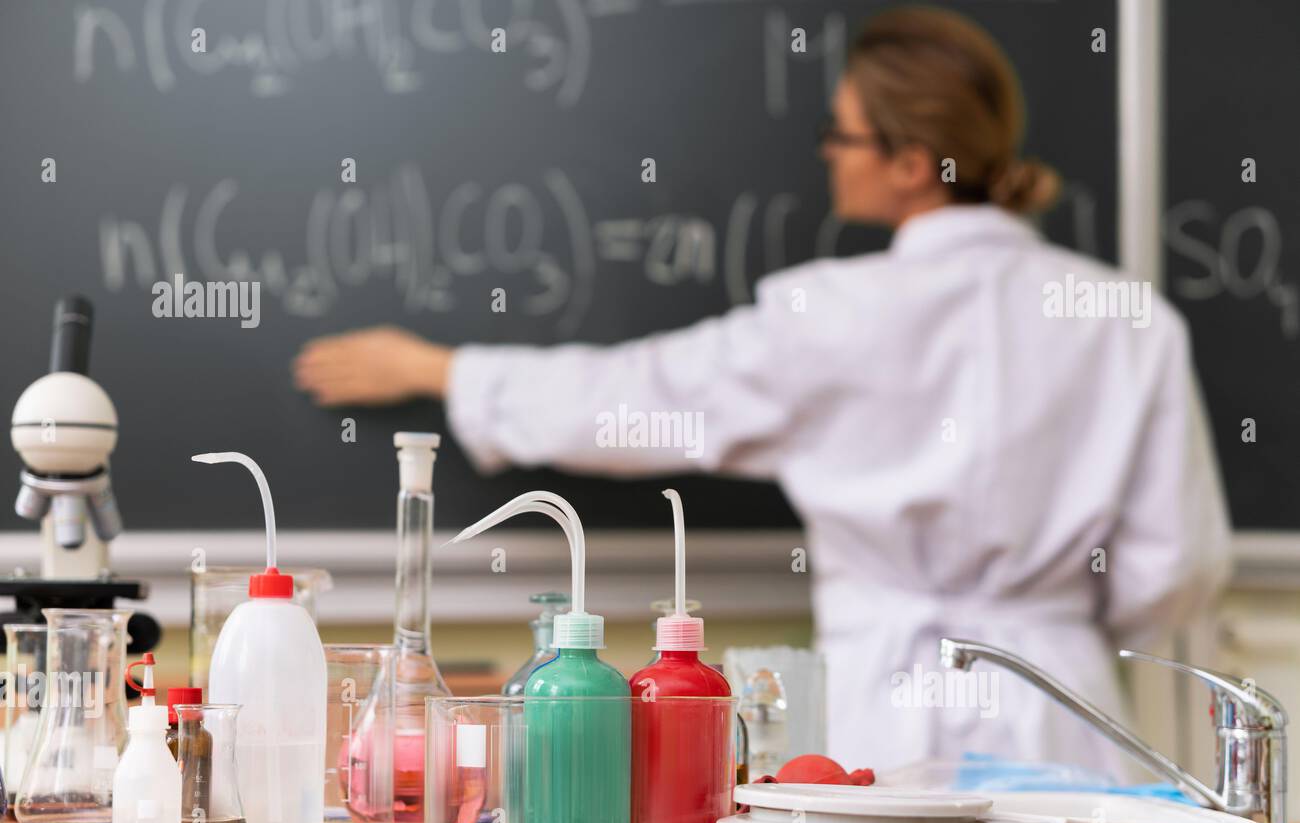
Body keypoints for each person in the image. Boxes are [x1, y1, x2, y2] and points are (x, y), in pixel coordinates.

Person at [294, 7, 1231, 779]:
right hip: (1067, 722)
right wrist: (1043, 607)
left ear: (912, 163)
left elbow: (634, 397)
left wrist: (442, 369)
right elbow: (1172, 571)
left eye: (844, 133)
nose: (827, 152)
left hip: (885, 728)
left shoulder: (828, 316)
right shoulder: (1131, 320)